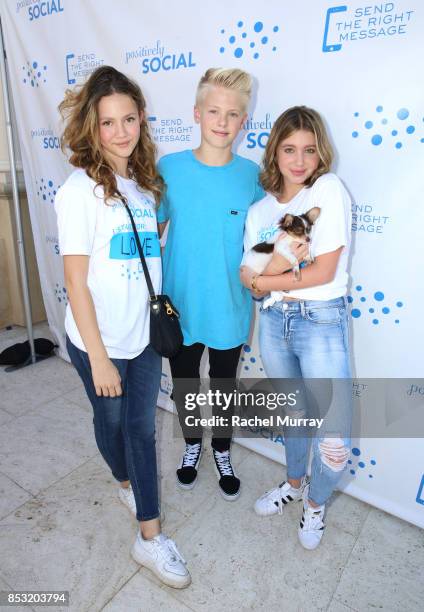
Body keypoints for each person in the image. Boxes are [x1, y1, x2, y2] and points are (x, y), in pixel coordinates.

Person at [55, 66, 190, 588]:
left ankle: (150, 538)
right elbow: (77, 281)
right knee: (110, 425)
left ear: (141, 120)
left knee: (139, 430)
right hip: (99, 340)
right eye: (108, 122)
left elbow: (143, 258)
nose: (120, 132)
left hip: (144, 336)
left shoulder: (145, 186)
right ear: (92, 126)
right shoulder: (78, 190)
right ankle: (123, 479)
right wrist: (99, 356)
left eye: (128, 119)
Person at [240, 106, 352, 550]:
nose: (299, 160)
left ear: (320, 152)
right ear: (275, 152)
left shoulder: (327, 189)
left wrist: (267, 279)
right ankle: (293, 484)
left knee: (334, 439)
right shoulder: (260, 209)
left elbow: (323, 271)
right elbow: (245, 281)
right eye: (289, 149)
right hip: (272, 322)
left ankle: (316, 505)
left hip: (319, 320)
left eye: (308, 149)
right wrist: (262, 281)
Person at [157, 68, 264, 500]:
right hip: (178, 306)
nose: (222, 121)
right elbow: (153, 232)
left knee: (222, 385)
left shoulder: (251, 176)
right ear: (197, 114)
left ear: (243, 122)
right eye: (214, 111)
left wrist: (263, 281)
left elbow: (260, 244)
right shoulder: (170, 168)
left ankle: (221, 449)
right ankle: (191, 446)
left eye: (233, 114)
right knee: (184, 383)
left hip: (229, 306)